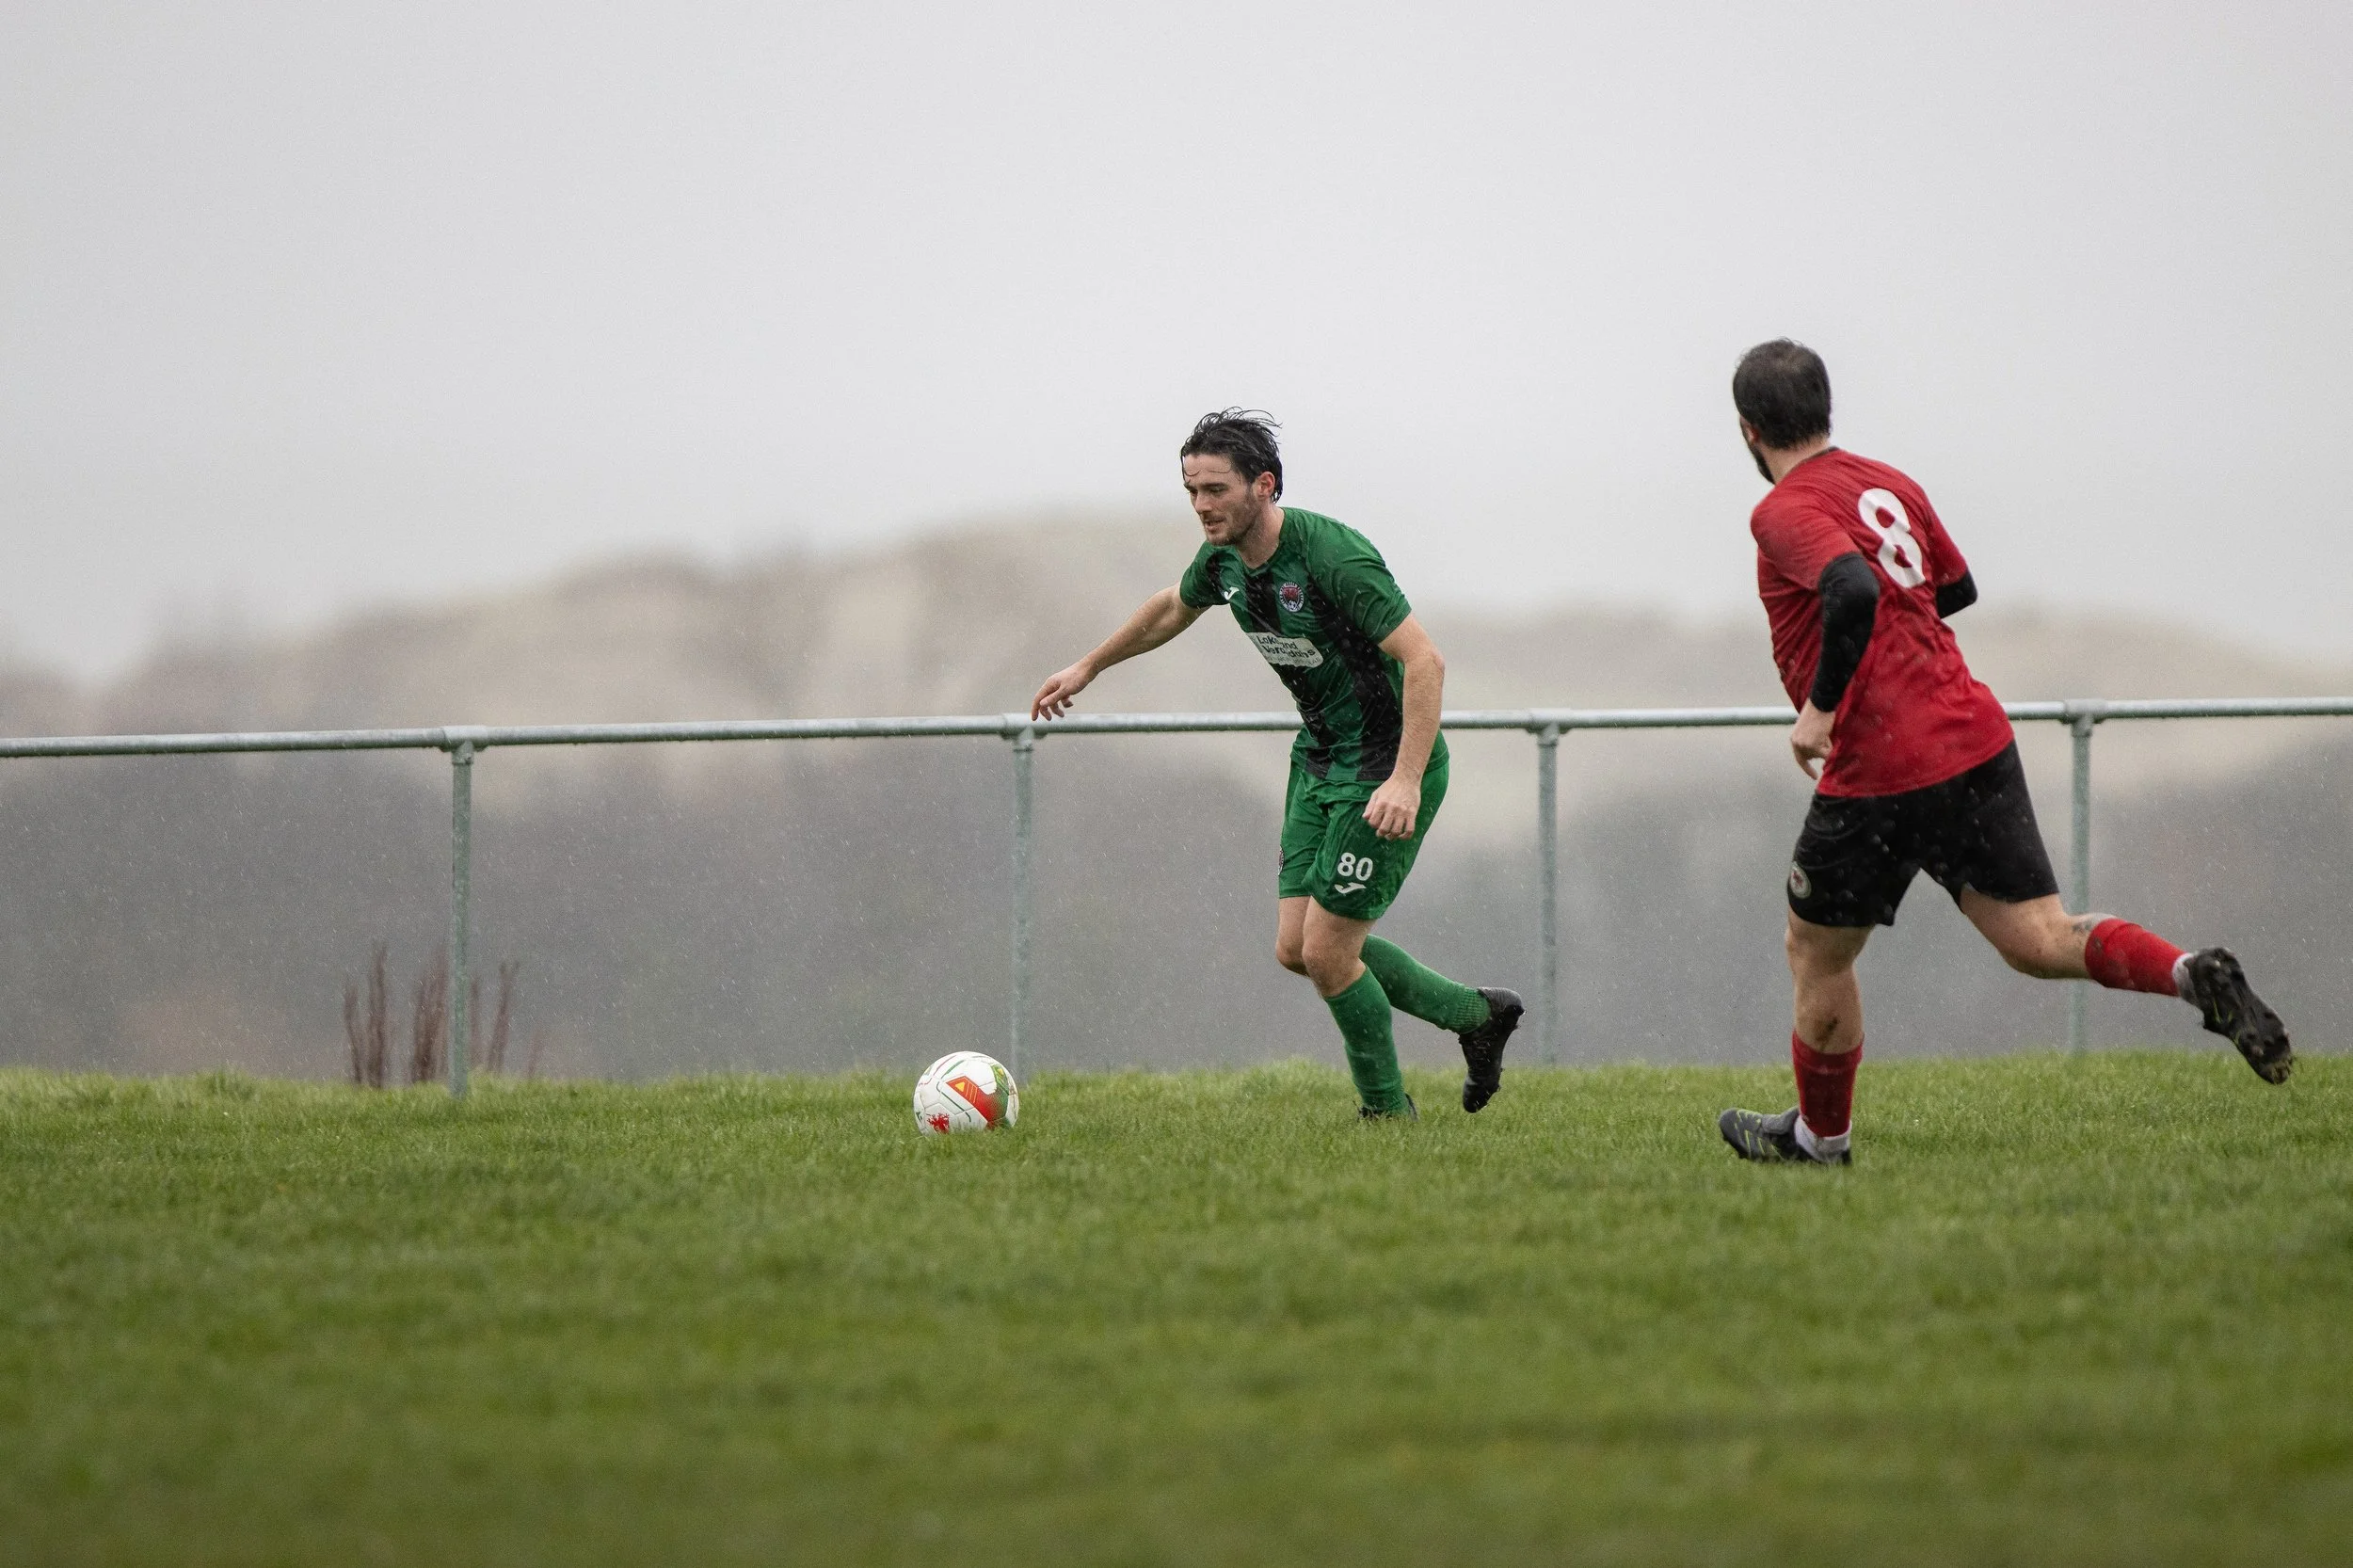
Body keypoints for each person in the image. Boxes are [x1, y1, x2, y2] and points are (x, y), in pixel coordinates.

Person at [1718, 341, 2292, 1166]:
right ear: (1825, 408)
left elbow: (1850, 589)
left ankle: (1820, 1140)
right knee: (2039, 938)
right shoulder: (1889, 482)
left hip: (1879, 765)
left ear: (1747, 430)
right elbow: (1954, 589)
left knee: (1814, 949)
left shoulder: (1779, 511)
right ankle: (2188, 971)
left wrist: (1820, 709)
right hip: (1972, 738)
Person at [1031, 410, 1521, 1119]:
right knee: (1297, 948)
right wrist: (1089, 666)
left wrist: (1406, 779)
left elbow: (1426, 661)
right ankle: (1476, 1017)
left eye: (1216, 489)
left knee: (1328, 953)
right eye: (1191, 490)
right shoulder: (1223, 559)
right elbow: (1173, 607)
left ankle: (1388, 1115)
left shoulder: (1332, 556)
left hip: (1383, 769)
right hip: (1319, 763)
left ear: (1264, 485)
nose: (1202, 506)